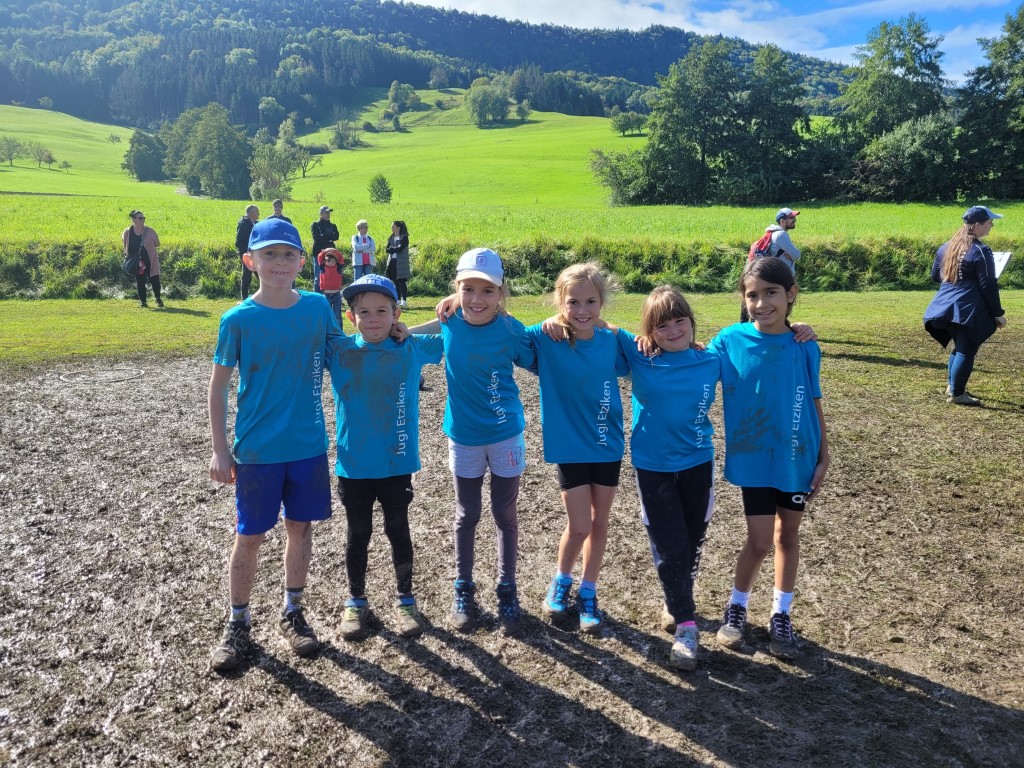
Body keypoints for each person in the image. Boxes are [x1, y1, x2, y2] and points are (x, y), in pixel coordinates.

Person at [207, 218, 341, 673]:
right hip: (257, 451)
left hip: (307, 446)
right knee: (249, 536)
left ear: (303, 262)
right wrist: (220, 448)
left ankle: (293, 612)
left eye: (288, 254)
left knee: (300, 529)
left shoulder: (318, 309)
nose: (279, 262)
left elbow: (349, 354)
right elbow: (218, 387)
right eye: (269, 254)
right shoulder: (237, 319)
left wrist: (406, 327)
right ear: (251, 261)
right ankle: (238, 623)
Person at [710, 256, 829, 662]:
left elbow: (814, 400)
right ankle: (737, 606)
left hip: (797, 456)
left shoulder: (804, 345)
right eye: (752, 295)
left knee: (787, 536)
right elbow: (692, 359)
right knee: (760, 540)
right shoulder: (729, 340)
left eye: (771, 293)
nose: (761, 303)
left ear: (791, 294)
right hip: (754, 459)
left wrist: (824, 454)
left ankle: (781, 614)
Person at [410, 248, 536, 635]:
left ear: (501, 293)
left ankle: (507, 589)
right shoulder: (449, 322)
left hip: (505, 435)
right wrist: (399, 331)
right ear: (457, 290)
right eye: (468, 289)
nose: (477, 299)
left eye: (487, 290)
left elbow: (540, 356)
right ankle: (463, 589)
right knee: (467, 514)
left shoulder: (511, 329)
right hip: (464, 437)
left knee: (505, 514)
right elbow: (418, 336)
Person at [327, 274, 443, 642]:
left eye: (382, 311)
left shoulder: (412, 347)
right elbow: (297, 333)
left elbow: (460, 321)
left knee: (397, 529)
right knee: (357, 533)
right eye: (364, 312)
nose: (373, 318)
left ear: (396, 314)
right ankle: (356, 601)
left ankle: (406, 600)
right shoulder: (339, 350)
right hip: (354, 464)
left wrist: (417, 326)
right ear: (351, 317)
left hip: (396, 462)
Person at [525, 263, 629, 635]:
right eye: (573, 302)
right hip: (569, 446)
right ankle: (562, 580)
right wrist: (549, 321)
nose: (582, 310)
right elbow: (503, 333)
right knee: (580, 524)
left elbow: (654, 346)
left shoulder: (614, 340)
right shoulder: (546, 338)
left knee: (600, 522)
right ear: (560, 302)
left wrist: (693, 345)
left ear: (602, 302)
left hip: (606, 445)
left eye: (590, 302)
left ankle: (588, 591)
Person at [924, 206, 1008, 407]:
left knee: (961, 347)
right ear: (977, 225)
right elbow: (988, 285)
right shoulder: (981, 250)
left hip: (942, 307)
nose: (992, 225)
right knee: (966, 350)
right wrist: (998, 313)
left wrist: (958, 279)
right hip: (966, 310)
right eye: (989, 222)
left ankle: (952, 387)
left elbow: (936, 276)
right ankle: (957, 393)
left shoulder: (946, 247)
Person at [122, 210, 163, 308]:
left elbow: (157, 243)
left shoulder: (150, 231)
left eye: (143, 218)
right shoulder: (127, 231)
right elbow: (124, 243)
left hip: (150, 260)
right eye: (140, 218)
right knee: (140, 282)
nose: (143, 220)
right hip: (137, 262)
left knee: (155, 280)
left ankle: (158, 299)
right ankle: (143, 302)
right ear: (133, 219)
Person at [310, 205, 339, 294]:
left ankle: (329, 296)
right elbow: (317, 237)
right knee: (318, 276)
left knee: (330, 275)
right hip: (318, 253)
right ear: (321, 214)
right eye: (326, 213)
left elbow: (336, 237)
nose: (328, 214)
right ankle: (317, 296)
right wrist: (329, 237)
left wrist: (323, 235)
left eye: (329, 213)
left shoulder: (333, 225)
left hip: (331, 255)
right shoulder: (315, 225)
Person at [234, 204, 260, 301]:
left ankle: (263, 297)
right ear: (251, 213)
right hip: (247, 255)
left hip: (256, 255)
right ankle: (244, 299)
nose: (259, 213)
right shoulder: (244, 224)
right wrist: (247, 253)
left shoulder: (255, 223)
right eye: (257, 211)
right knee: (247, 277)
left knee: (261, 275)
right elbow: (238, 242)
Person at [385, 220, 411, 307]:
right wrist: (394, 248)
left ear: (398, 228)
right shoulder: (391, 237)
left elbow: (400, 248)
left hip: (401, 262)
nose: (391, 228)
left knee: (401, 281)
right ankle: (398, 299)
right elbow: (387, 249)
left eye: (393, 226)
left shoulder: (404, 238)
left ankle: (404, 300)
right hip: (392, 261)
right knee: (395, 281)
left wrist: (392, 248)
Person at [317, 247, 345, 327]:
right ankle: (326, 330)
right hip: (326, 295)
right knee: (326, 314)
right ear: (324, 261)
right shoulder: (323, 268)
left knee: (337, 315)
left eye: (333, 261)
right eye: (328, 261)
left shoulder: (338, 268)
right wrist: (326, 250)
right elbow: (319, 256)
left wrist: (334, 251)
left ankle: (339, 331)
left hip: (336, 295)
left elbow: (341, 257)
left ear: (336, 262)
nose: (330, 263)